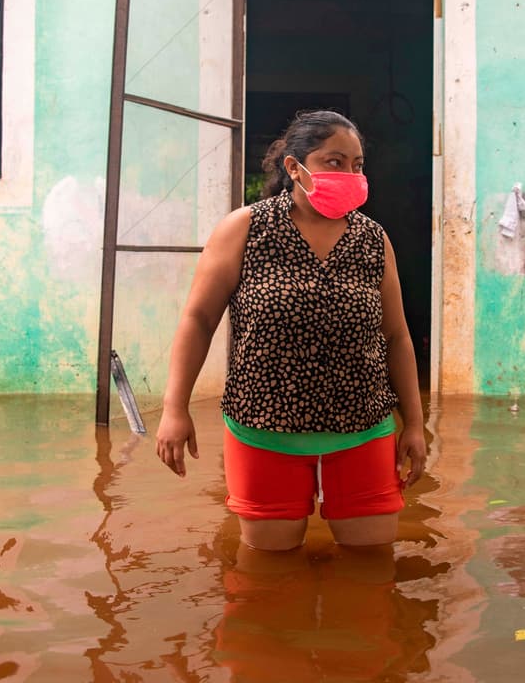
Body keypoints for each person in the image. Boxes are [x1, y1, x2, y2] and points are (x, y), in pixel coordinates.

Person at [155, 110, 427, 551]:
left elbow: (396, 336)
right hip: (263, 427)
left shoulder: (373, 239)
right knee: (268, 577)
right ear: (294, 167)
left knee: (371, 572)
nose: (350, 174)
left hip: (362, 428)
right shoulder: (246, 228)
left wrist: (414, 424)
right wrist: (174, 408)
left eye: (357, 165)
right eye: (334, 162)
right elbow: (198, 320)